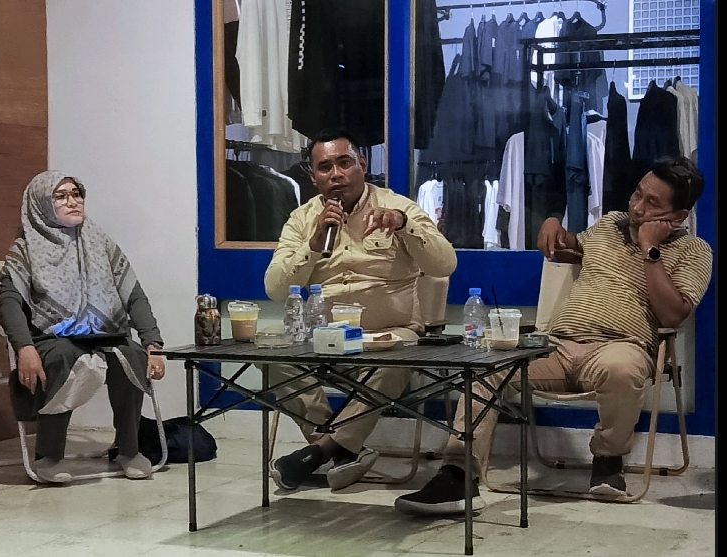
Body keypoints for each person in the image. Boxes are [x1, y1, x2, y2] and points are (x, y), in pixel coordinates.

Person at [395, 155, 712, 515]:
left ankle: (608, 461)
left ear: (678, 217)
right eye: (637, 194)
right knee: (486, 368)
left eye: (652, 203)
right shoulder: (610, 225)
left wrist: (649, 250)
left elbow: (674, 314)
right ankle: (457, 474)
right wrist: (551, 223)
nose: (637, 207)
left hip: (620, 347)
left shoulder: (694, 251)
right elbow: (568, 246)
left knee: (621, 368)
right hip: (557, 347)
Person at [264, 128, 457, 491]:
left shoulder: (397, 206)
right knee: (274, 356)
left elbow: (445, 264)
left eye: (344, 163)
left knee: (398, 358)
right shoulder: (303, 219)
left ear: (362, 165)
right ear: (313, 176)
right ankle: (341, 448)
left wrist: (404, 225)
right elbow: (274, 289)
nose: (336, 175)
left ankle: (320, 450)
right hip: (325, 339)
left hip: (390, 337)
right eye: (325, 167)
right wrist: (314, 244)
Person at [0, 171, 166, 484]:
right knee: (62, 357)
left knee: (131, 354)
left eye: (76, 194)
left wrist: (152, 343)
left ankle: (128, 450)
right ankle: (48, 456)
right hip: (51, 337)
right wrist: (25, 348)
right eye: (60, 196)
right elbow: (8, 303)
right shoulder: (26, 249)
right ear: (40, 205)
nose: (72, 201)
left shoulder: (101, 242)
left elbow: (133, 295)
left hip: (106, 334)